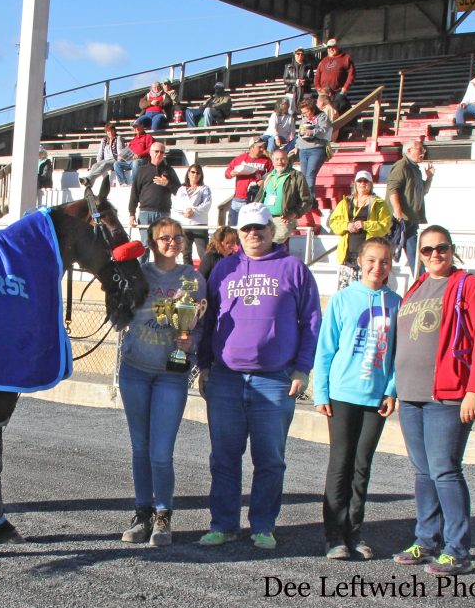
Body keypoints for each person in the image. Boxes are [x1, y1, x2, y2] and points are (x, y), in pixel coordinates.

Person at [196, 203, 321, 550]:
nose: (254, 234)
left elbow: (311, 321)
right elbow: (208, 321)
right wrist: (203, 365)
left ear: (271, 230)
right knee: (223, 457)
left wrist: (302, 368)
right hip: (226, 378)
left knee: (270, 459)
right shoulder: (224, 269)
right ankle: (223, 524)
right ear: (238, 232)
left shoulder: (293, 268)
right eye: (247, 228)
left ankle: (263, 525)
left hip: (275, 379)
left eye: (260, 228)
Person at [392, 226, 475, 576]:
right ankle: (426, 540)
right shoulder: (418, 287)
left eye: (442, 248)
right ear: (418, 253)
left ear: (452, 250)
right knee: (424, 472)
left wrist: (474, 390)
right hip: (411, 395)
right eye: (427, 250)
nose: (435, 255)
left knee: (445, 470)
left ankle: (458, 550)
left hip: (447, 397)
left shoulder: (470, 286)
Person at [118, 217, 206, 547]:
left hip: (171, 374)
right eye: (164, 238)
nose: (172, 242)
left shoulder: (193, 279)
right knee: (140, 448)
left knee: (160, 452)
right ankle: (142, 513)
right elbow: (120, 308)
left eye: (177, 237)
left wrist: (190, 342)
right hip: (135, 370)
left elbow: (198, 325)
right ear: (152, 243)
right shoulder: (138, 274)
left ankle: (163, 515)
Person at [313, 237, 401, 560]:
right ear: (361, 263)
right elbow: (325, 350)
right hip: (342, 395)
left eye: (385, 261)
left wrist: (392, 390)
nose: (378, 267)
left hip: (376, 398)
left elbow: (397, 356)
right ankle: (333, 535)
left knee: (362, 466)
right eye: (372, 261)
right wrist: (321, 391)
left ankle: (354, 532)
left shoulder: (397, 303)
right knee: (341, 464)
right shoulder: (342, 300)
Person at [328, 170, 392, 289]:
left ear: (371, 184)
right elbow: (333, 222)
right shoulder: (346, 202)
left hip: (368, 255)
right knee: (345, 289)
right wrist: (346, 226)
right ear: (355, 184)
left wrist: (365, 225)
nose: (362, 184)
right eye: (360, 181)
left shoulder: (379, 204)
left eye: (366, 181)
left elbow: (385, 226)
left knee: (366, 288)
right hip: (348, 253)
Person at [386, 140, 434, 278]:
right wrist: (398, 211)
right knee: (388, 252)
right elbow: (392, 190)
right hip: (398, 220)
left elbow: (422, 191)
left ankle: (421, 282)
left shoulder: (415, 169)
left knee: (414, 254)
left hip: (411, 219)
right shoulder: (402, 166)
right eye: (420, 150)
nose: (423, 153)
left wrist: (429, 178)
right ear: (409, 151)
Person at [129, 142, 180, 259]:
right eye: (156, 151)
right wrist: (131, 213)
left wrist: (167, 184)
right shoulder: (142, 170)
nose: (159, 154)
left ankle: (163, 274)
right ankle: (141, 274)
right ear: (150, 153)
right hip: (145, 213)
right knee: (145, 245)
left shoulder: (169, 171)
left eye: (162, 152)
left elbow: (179, 191)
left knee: (164, 246)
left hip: (164, 213)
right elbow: (134, 193)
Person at [256, 147, 314, 244]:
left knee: (273, 243)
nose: (280, 162)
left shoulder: (296, 176)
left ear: (287, 160)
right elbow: (259, 197)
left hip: (284, 219)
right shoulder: (268, 176)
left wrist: (294, 213)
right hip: (265, 218)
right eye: (277, 159)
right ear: (273, 161)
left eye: (283, 159)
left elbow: (307, 201)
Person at [223, 138, 273, 226]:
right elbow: (227, 174)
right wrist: (231, 173)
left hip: (256, 200)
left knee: (251, 227)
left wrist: (263, 181)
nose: (262, 149)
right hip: (239, 199)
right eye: (259, 147)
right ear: (252, 147)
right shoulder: (240, 159)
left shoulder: (267, 161)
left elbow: (272, 176)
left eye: (263, 147)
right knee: (233, 228)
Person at [171, 164, 212, 266]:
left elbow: (207, 204)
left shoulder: (204, 188)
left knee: (203, 252)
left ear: (201, 175)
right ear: (188, 174)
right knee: (186, 252)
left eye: (198, 173)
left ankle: (207, 275)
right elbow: (176, 205)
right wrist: (185, 211)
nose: (195, 175)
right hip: (185, 225)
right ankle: (187, 277)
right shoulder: (181, 189)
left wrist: (193, 210)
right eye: (192, 172)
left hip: (199, 224)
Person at [295, 96, 332, 196]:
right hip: (303, 149)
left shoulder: (322, 117)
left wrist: (312, 132)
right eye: (303, 113)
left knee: (310, 175)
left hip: (316, 149)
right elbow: (300, 132)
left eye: (306, 112)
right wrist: (297, 145)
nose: (305, 115)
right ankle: (306, 199)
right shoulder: (303, 118)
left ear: (312, 109)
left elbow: (324, 130)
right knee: (303, 175)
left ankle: (310, 200)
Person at [78, 123, 127, 190]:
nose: (110, 132)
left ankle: (88, 179)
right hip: (105, 160)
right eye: (108, 131)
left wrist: (118, 162)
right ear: (106, 132)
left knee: (104, 164)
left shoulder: (118, 138)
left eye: (111, 130)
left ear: (114, 131)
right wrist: (98, 163)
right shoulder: (104, 140)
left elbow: (120, 151)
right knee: (95, 165)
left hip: (114, 160)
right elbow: (100, 152)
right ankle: (90, 184)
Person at [314, 38, 355, 114]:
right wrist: (319, 89)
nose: (331, 49)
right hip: (324, 93)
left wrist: (345, 88)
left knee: (338, 112)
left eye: (333, 46)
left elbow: (351, 74)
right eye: (329, 47)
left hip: (338, 93)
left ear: (338, 47)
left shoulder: (346, 58)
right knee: (322, 114)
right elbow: (317, 77)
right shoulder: (323, 61)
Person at [114, 120, 155, 187]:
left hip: (143, 160)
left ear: (142, 126)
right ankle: (123, 182)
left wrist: (140, 155)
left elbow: (150, 149)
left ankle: (134, 184)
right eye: (134, 127)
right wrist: (122, 156)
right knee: (116, 164)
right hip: (131, 161)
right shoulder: (133, 140)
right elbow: (128, 151)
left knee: (135, 162)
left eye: (137, 126)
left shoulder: (148, 137)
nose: (136, 129)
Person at [283, 47, 314, 114]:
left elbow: (312, 79)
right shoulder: (288, 66)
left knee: (305, 112)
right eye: (298, 54)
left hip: (305, 92)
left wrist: (305, 82)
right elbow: (285, 80)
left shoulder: (308, 66)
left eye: (302, 54)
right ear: (295, 55)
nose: (300, 56)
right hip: (292, 91)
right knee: (290, 113)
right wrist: (296, 82)